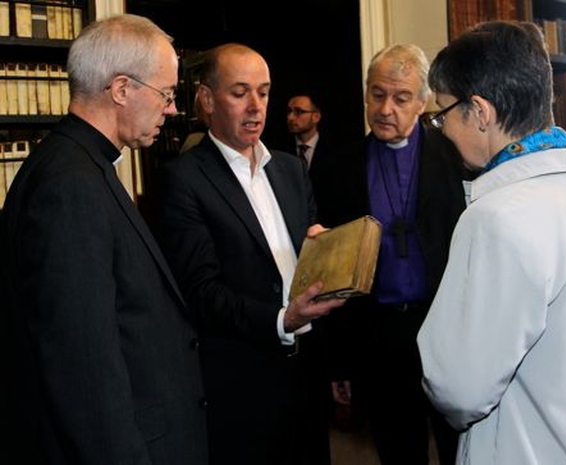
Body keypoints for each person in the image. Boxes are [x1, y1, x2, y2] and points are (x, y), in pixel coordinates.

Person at [417, 20, 566, 464]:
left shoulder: (497, 217)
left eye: (442, 113)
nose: (441, 129)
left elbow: (456, 386)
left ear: (479, 112)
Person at [0, 14, 208, 465]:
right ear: (121, 89)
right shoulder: (69, 185)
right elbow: (83, 368)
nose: (172, 109)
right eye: (167, 94)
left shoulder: (79, 165)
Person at [155, 43, 346, 465]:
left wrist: (330, 256)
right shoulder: (182, 181)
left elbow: (302, 262)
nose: (256, 106)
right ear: (207, 100)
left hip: (307, 374)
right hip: (242, 384)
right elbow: (200, 293)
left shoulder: (291, 170)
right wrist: (282, 320)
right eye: (240, 92)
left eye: (263, 91)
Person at [317, 43, 469, 465]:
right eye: (377, 94)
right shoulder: (338, 167)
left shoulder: (456, 156)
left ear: (422, 101)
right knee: (398, 448)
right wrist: (339, 361)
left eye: (401, 98)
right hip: (378, 335)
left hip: (443, 326)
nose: (386, 108)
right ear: (365, 94)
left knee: (462, 448)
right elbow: (331, 273)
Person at [283, 91, 335, 222]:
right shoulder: (279, 152)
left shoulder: (335, 153)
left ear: (316, 117)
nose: (290, 117)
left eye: (298, 112)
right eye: (289, 111)